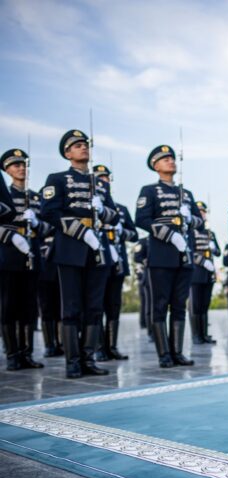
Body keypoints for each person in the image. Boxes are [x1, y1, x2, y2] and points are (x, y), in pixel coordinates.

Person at [40, 130, 119, 378]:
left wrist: (103, 211)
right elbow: (49, 212)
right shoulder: (57, 179)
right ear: (67, 153)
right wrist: (80, 231)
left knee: (94, 307)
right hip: (71, 248)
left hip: (97, 249)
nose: (83, 148)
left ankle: (88, 358)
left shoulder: (101, 183)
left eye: (85, 144)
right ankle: (73, 362)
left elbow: (114, 215)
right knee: (71, 307)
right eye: (76, 145)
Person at [135, 145, 202, 368]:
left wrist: (189, 219)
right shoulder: (149, 191)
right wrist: (170, 235)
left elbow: (199, 222)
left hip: (184, 256)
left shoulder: (186, 194)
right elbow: (142, 219)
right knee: (160, 305)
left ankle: (177, 352)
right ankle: (164, 354)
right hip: (161, 255)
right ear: (155, 165)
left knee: (179, 305)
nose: (171, 162)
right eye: (165, 159)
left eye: (172, 159)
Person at [1, 148, 49, 370]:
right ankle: (12, 354)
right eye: (15, 165)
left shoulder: (36, 197)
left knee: (29, 306)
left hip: (32, 253)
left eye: (23, 164)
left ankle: (27, 353)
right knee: (9, 305)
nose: (21, 168)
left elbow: (49, 227)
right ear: (7, 170)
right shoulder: (5, 196)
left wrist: (38, 224)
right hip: (9, 253)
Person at [92, 164, 138, 361]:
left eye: (106, 178)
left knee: (113, 305)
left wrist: (121, 232)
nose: (104, 181)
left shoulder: (120, 209)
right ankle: (99, 347)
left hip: (117, 260)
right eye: (100, 178)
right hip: (99, 259)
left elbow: (134, 234)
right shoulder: (91, 205)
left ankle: (112, 346)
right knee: (98, 304)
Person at [189, 201, 220, 345]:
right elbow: (189, 251)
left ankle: (204, 334)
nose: (202, 213)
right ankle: (196, 335)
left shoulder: (210, 233)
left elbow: (218, 252)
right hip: (196, 271)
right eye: (199, 211)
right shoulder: (190, 232)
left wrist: (213, 248)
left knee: (205, 305)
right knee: (195, 305)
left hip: (209, 273)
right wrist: (202, 261)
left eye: (203, 211)